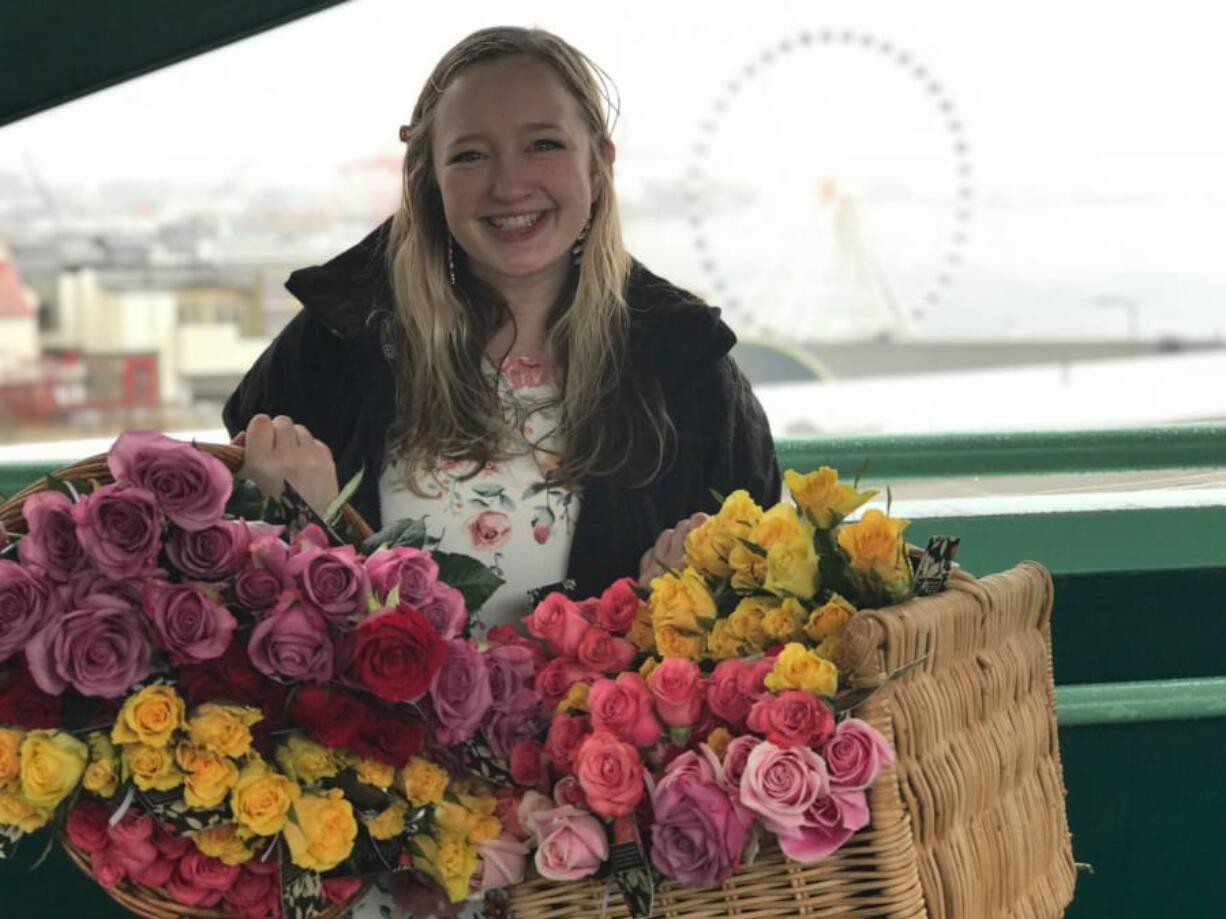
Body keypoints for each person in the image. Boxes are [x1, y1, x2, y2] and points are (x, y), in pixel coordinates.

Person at [224, 24, 779, 625]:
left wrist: (690, 605)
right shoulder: (337, 343)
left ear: (599, 165)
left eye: (543, 144)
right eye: (470, 155)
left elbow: (773, 611)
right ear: (432, 184)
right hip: (377, 721)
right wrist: (297, 520)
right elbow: (237, 596)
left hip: (607, 720)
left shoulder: (688, 363)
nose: (510, 185)